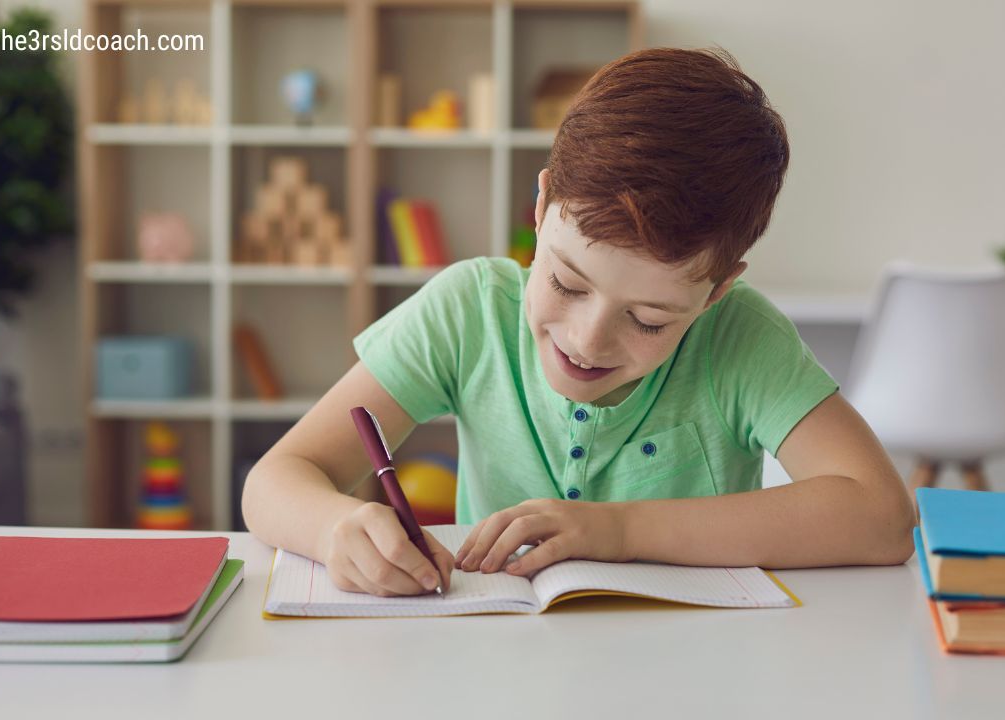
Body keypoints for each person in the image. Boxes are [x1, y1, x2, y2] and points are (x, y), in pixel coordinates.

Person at [242, 47, 914, 598]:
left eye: (648, 320)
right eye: (566, 283)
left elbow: (881, 516)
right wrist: (334, 528)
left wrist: (618, 531)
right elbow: (276, 479)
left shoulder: (740, 339)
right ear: (540, 210)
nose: (588, 341)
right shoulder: (469, 311)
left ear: (716, 292)